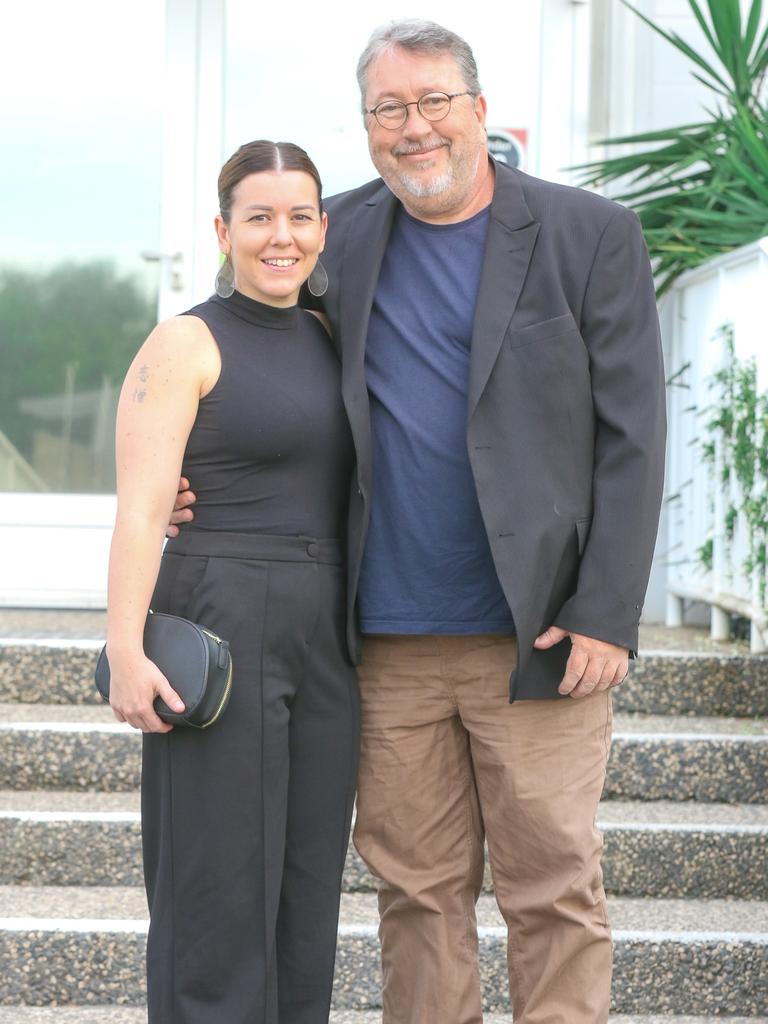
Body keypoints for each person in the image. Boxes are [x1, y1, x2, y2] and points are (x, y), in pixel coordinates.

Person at [171, 19, 666, 1024]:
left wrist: (609, 608)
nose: (415, 127)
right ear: (366, 129)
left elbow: (634, 435)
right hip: (386, 641)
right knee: (417, 893)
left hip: (543, 635)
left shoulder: (587, 235)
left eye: (434, 100)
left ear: (479, 110)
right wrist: (189, 467)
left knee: (554, 888)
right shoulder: (333, 234)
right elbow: (242, 347)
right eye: (389, 109)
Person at [106, 140, 359, 1024]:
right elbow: (141, 509)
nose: (280, 236)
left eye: (298, 217)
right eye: (259, 217)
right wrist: (125, 648)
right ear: (224, 230)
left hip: (327, 629)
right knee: (216, 884)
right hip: (219, 611)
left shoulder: (336, 337)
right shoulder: (186, 341)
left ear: (324, 229)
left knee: (305, 883)